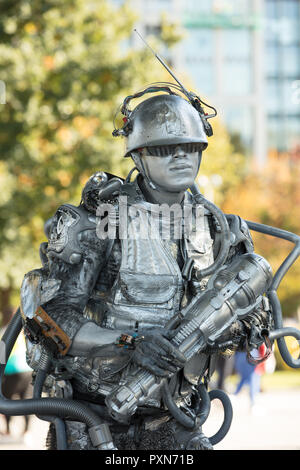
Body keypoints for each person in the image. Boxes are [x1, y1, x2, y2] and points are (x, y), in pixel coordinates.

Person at [20, 89, 273, 450]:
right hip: (93, 419)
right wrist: (131, 344)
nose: (180, 157)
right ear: (138, 156)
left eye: (190, 147)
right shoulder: (98, 222)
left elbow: (256, 321)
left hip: (176, 416)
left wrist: (215, 328)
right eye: (164, 149)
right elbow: (51, 318)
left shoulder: (221, 230)